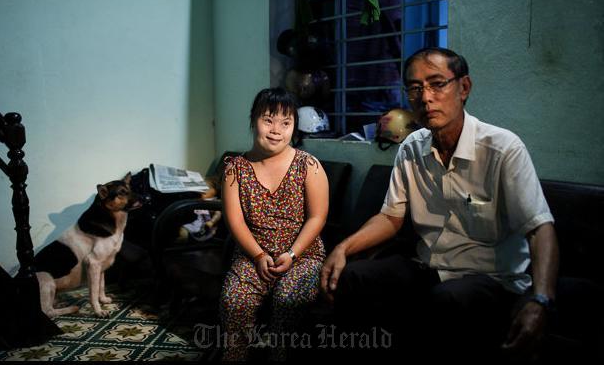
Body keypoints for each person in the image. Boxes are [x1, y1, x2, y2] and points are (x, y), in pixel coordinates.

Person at [320, 47, 559, 362]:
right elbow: (391, 216)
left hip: (491, 278)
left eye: (437, 84)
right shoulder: (411, 148)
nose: (426, 97)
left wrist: (540, 299)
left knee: (447, 300)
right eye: (415, 88)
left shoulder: (502, 149)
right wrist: (342, 249)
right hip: (430, 268)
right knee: (354, 277)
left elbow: (540, 228)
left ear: (464, 88)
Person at [219, 87, 329, 361]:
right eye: (268, 119)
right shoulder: (235, 168)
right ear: (253, 119)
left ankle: (280, 354)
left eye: (286, 122)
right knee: (234, 301)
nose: (276, 130)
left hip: (303, 255)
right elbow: (235, 220)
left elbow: (318, 217)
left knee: (286, 301)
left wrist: (292, 254)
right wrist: (257, 255)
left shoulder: (309, 165)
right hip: (252, 254)